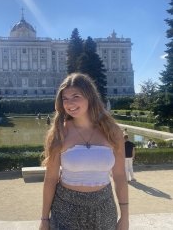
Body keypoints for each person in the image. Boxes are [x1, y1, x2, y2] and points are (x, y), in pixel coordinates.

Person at [39, 73, 128, 230]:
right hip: (65, 209)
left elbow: (120, 176)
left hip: (104, 208)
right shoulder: (59, 133)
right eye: (65, 98)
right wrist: (44, 219)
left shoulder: (112, 132)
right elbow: (51, 178)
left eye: (75, 96)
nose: (69, 103)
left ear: (90, 97)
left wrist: (125, 216)